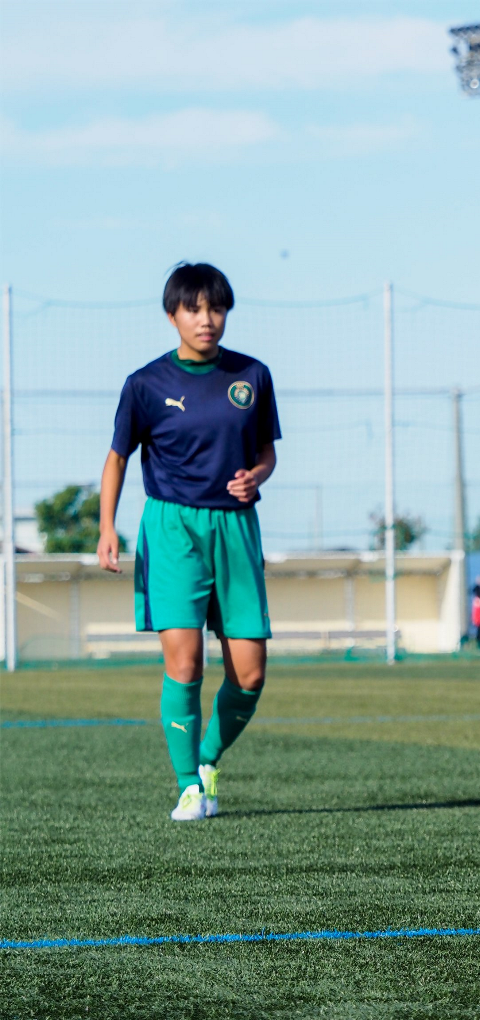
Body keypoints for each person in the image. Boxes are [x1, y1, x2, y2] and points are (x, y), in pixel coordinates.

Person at [98, 263, 280, 822]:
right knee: (187, 663)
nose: (207, 320)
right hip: (172, 529)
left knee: (249, 674)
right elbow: (117, 457)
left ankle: (206, 761)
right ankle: (187, 787)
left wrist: (258, 475)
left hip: (235, 528)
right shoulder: (146, 384)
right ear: (172, 314)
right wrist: (107, 527)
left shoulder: (253, 375)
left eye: (217, 308)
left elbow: (267, 452)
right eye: (195, 309)